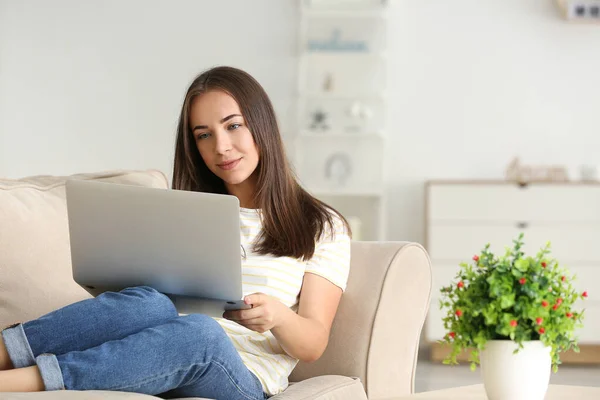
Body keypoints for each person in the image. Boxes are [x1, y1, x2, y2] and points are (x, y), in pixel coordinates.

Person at [0, 66, 352, 399]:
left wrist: (279, 316)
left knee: (202, 333)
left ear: (261, 125)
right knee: (150, 301)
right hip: (155, 353)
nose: (221, 147)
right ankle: (5, 350)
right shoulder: (186, 212)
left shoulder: (321, 225)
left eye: (233, 126)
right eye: (204, 135)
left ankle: (18, 382)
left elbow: (313, 343)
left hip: (240, 377)